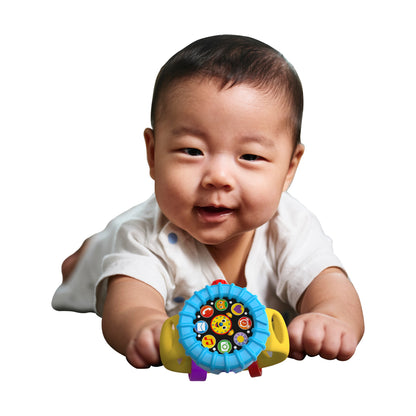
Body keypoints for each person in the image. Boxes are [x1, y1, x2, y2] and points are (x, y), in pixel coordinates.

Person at [52, 34, 364, 368]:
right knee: (96, 262)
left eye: (250, 156)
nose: (218, 177)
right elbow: (127, 304)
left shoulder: (291, 226)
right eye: (192, 151)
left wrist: (330, 317)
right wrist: (145, 325)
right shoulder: (144, 236)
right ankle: (87, 256)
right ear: (153, 154)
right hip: (116, 246)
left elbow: (331, 285)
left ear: (289, 168)